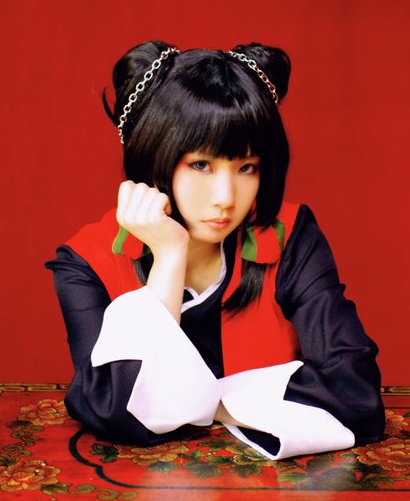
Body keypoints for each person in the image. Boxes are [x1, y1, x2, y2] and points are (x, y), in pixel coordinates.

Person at [45, 40, 385, 460]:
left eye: (247, 168)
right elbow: (113, 409)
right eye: (201, 165)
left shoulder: (290, 235)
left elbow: (357, 395)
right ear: (154, 159)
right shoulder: (86, 261)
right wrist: (169, 256)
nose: (226, 197)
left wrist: (194, 405)